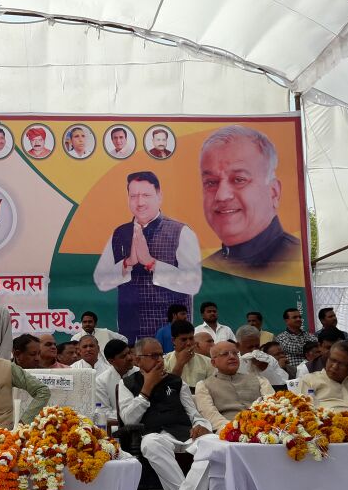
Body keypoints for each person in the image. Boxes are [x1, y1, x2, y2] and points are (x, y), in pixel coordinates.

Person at [118, 338, 214, 490]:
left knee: (214, 444)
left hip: (186, 434)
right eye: (153, 356)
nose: (159, 360)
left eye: (161, 355)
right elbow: (128, 419)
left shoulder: (177, 382)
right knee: (150, 443)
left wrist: (201, 425)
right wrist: (147, 387)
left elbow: (194, 414)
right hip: (156, 436)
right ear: (138, 360)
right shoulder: (127, 383)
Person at [94, 172, 202, 342]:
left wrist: (151, 263)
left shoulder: (181, 231)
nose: (140, 202)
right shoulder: (120, 233)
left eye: (146, 195)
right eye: (134, 196)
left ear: (159, 196)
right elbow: (101, 280)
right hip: (129, 332)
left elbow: (193, 283)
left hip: (171, 333)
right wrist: (127, 263)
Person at [199, 125, 302, 274]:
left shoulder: (295, 261)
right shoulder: (201, 273)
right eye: (211, 182)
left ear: (274, 192)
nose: (221, 195)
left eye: (239, 179)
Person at [194, 341, 275, 432]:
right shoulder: (204, 385)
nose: (232, 357)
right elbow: (210, 415)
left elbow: (272, 404)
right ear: (213, 363)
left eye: (235, 353)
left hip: (264, 428)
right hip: (228, 432)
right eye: (225, 354)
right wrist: (233, 429)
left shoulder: (259, 380)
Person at [95, 339, 138, 420]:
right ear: (111, 361)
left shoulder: (140, 373)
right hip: (116, 424)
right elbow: (103, 412)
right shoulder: (101, 382)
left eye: (129, 353)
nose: (129, 358)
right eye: (123, 356)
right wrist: (127, 414)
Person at [164, 319, 213, 387]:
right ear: (173, 340)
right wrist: (180, 364)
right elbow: (168, 389)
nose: (188, 343)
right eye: (183, 339)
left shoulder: (207, 362)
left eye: (191, 338)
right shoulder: (164, 362)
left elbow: (211, 388)